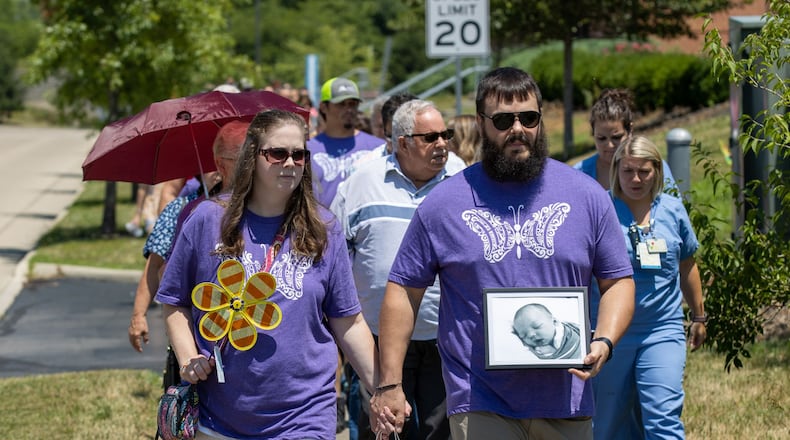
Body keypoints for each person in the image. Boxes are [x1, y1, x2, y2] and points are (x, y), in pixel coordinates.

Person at [371, 67, 635, 440]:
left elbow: (618, 281)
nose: (517, 128)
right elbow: (404, 288)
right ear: (481, 123)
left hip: (567, 398)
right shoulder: (444, 203)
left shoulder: (587, 195)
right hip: (479, 399)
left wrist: (603, 341)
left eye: (529, 118)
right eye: (503, 120)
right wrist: (389, 383)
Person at [155, 109, 379, 439]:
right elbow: (174, 300)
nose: (290, 163)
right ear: (252, 156)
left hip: (305, 414)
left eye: (299, 154)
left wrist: (383, 389)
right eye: (277, 153)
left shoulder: (323, 229)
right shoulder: (207, 220)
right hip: (220, 417)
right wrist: (189, 357)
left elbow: (349, 321)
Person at [332, 100, 463, 440]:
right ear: (402, 143)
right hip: (378, 339)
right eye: (430, 137)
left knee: (442, 433)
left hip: (445, 339)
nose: (442, 144)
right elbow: (336, 260)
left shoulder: (462, 180)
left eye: (446, 135)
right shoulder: (361, 183)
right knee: (384, 430)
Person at [592, 135, 707, 440]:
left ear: (657, 171)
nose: (636, 179)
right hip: (610, 334)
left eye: (644, 171)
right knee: (607, 426)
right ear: (616, 169)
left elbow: (687, 264)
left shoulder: (672, 209)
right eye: (628, 171)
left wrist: (699, 316)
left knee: (662, 417)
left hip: (662, 330)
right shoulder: (600, 208)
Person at [128, 121, 247, 354]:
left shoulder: (255, 207)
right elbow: (155, 266)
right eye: (210, 165)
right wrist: (138, 315)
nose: (216, 171)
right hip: (194, 328)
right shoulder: (181, 210)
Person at [574, 88, 677, 192]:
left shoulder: (652, 165)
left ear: (630, 130)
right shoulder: (579, 173)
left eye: (616, 137)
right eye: (601, 138)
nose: (609, 145)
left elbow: (673, 200)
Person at [308, 77, 385, 208]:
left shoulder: (378, 147)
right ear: (323, 107)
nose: (349, 109)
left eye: (353, 104)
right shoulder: (307, 149)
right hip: (320, 220)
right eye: (341, 104)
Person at [512, 303, 581, 360]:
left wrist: (553, 351)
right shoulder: (536, 351)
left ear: (554, 321)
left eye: (537, 326)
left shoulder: (568, 333)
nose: (530, 335)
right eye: (524, 335)